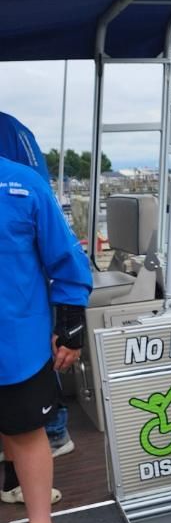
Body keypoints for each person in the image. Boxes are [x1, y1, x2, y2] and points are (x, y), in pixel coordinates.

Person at [0, 153, 91, 523]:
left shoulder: (23, 184)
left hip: (15, 344)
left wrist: (70, 327)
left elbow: (64, 257)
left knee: (24, 433)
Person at [0, 111, 75, 467]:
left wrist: (69, 326)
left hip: (18, 309)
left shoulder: (12, 134)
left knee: (27, 416)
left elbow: (39, 192)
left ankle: (56, 429)